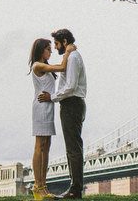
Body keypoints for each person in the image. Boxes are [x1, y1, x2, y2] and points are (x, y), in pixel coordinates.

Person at [37, 28, 86, 199]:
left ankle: (75, 190)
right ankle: (75, 187)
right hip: (72, 104)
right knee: (72, 147)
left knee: (73, 148)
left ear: (64, 42)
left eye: (57, 44)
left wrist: (52, 97)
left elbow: (70, 86)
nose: (56, 48)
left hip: (71, 104)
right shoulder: (70, 56)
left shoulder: (72, 57)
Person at [29, 37, 76, 201]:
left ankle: (43, 186)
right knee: (39, 146)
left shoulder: (45, 66)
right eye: (48, 49)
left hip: (48, 106)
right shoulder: (37, 65)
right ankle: (37, 186)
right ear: (40, 50)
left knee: (46, 147)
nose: (50, 51)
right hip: (41, 107)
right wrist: (68, 51)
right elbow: (62, 67)